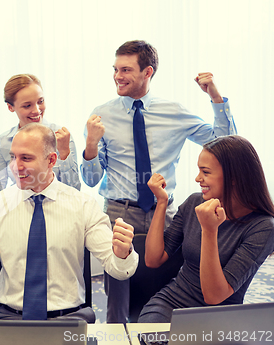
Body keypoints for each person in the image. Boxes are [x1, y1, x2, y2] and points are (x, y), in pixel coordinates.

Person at [81, 40, 237, 323]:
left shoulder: (173, 111)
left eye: (126, 69)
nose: (118, 76)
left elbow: (225, 142)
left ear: (147, 71)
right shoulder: (101, 114)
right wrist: (91, 144)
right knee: (118, 292)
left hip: (164, 213)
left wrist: (215, 96)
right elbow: (91, 180)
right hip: (119, 212)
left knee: (164, 285)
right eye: (115, 69)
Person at [0, 123, 138, 323]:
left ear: (51, 160)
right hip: (9, 319)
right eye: (12, 157)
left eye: (26, 158)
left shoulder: (83, 205)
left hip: (69, 318)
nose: (16, 166)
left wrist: (122, 254)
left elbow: (120, 271)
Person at [138, 135, 274, 323]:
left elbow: (214, 296)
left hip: (220, 316)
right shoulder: (195, 203)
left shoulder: (263, 227)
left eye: (206, 172)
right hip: (172, 302)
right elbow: (153, 259)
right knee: (152, 336)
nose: (197, 178)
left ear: (233, 177)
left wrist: (209, 230)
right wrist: (161, 202)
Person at [0, 74, 80, 199]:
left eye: (40, 102)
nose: (37, 110)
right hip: (21, 212)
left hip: (59, 212)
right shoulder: (4, 142)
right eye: (27, 105)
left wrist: (64, 154)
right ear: (10, 107)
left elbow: (75, 191)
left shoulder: (61, 137)